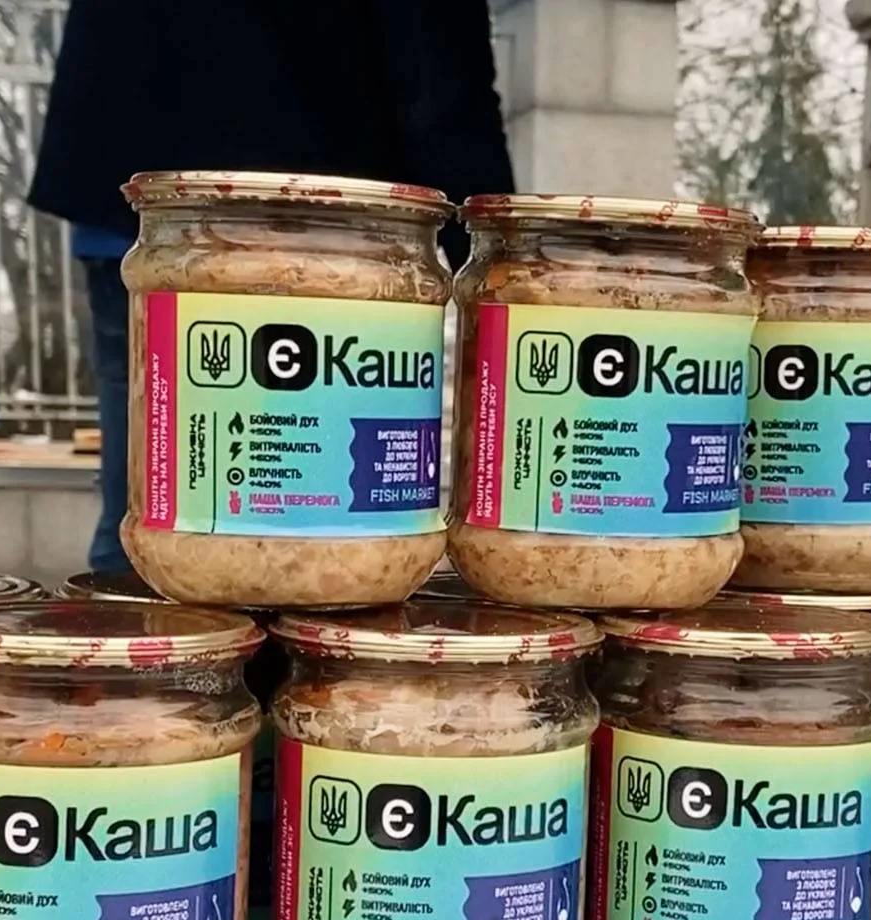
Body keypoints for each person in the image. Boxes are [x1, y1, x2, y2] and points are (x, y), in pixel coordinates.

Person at [29, 1, 514, 571]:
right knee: (313, 537)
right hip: (329, 222)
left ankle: (142, 615)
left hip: (147, 171)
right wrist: (498, 250)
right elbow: (438, 62)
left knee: (160, 509)